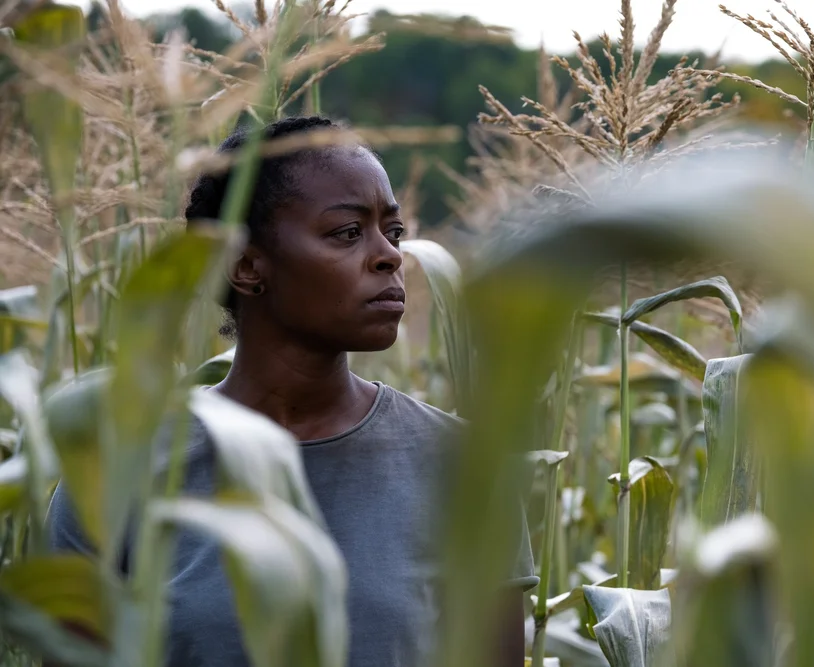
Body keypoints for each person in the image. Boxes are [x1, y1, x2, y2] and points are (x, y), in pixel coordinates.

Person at [47, 115, 538, 667]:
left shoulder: (464, 466)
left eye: (391, 231)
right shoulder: (120, 467)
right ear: (247, 266)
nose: (391, 256)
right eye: (347, 233)